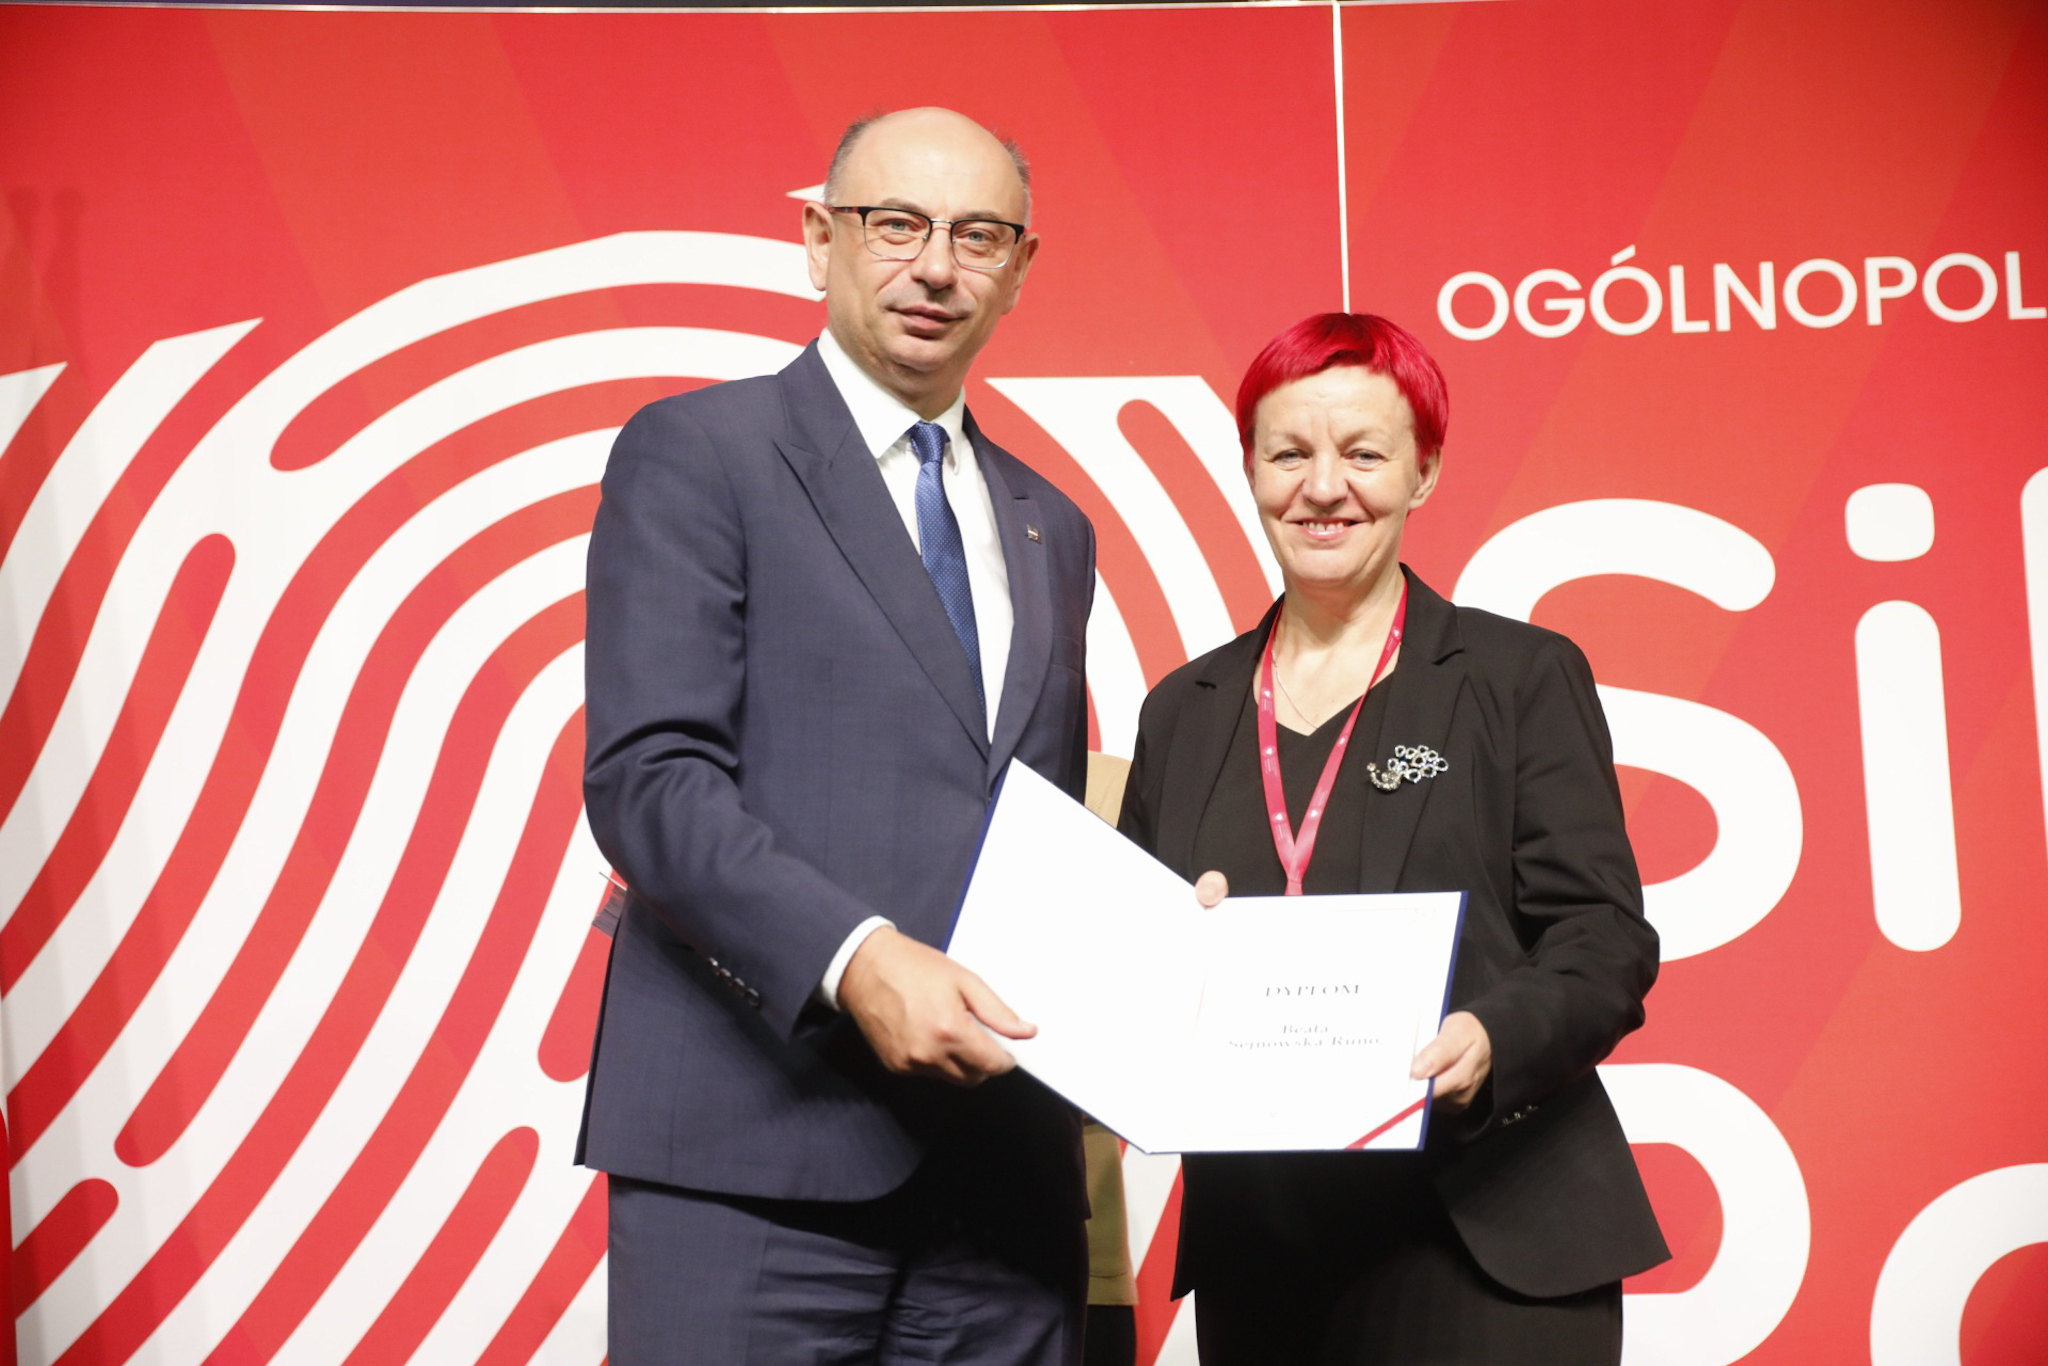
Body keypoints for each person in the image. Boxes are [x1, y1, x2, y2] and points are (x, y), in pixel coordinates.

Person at [578, 108, 1097, 1365]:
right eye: (894, 225)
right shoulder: (698, 451)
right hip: (751, 1154)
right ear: (819, 241)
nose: (936, 267)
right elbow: (649, 779)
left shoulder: (1053, 524)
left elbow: (1031, 822)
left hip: (1003, 1190)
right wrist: (854, 956)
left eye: (978, 236)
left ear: (1021, 269)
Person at [1117, 312, 1670, 1364]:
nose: (1323, 487)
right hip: (1264, 1254)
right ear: (1249, 469)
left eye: (1364, 454)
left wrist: (1492, 1038)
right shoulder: (1183, 711)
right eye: (1289, 453)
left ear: (1424, 472)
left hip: (1482, 1233)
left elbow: (1603, 939)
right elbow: (1137, 965)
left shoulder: (1517, 677)